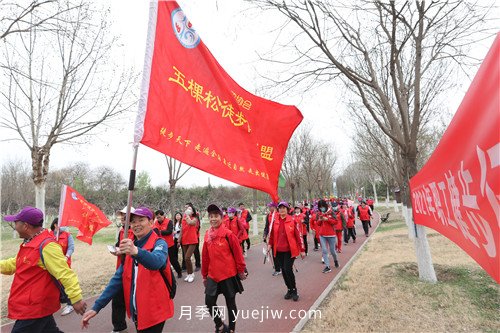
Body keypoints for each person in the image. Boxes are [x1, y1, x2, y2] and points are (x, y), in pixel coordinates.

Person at [82, 207, 174, 332]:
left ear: (151, 222)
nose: (136, 224)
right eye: (133, 221)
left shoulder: (159, 243)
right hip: (138, 311)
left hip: (155, 311)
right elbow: (117, 279)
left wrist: (136, 251)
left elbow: (156, 262)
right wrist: (96, 307)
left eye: (141, 220)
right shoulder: (131, 247)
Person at [1, 206, 87, 333]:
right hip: (34, 306)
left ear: (25, 226)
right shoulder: (31, 242)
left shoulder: (47, 246)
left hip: (33, 309)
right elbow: (15, 263)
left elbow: (65, 273)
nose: (14, 225)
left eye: (16, 222)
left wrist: (76, 299)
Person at [202, 204, 247, 333]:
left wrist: (241, 270)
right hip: (212, 275)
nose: (213, 219)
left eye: (216, 216)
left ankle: (232, 329)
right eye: (211, 216)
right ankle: (220, 325)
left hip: (228, 274)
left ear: (221, 217)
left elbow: (238, 254)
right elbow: (205, 257)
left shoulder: (228, 234)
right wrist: (204, 275)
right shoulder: (207, 235)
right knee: (209, 302)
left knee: (230, 303)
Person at [267, 202, 305, 301]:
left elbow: (299, 236)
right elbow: (272, 236)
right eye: (280, 208)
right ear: (278, 210)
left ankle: (294, 289)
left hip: (290, 250)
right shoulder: (275, 221)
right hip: (278, 251)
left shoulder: (292, 221)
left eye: (284, 208)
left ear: (287, 209)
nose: (282, 210)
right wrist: (269, 245)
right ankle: (289, 289)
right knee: (283, 270)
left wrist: (302, 250)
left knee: (288, 269)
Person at [110, 206, 135, 333]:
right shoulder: (121, 231)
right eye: (122, 216)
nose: (123, 218)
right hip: (121, 269)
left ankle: (142, 324)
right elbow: (118, 245)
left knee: (136, 299)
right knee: (117, 298)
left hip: (134, 271)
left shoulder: (136, 231)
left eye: (126, 216)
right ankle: (119, 327)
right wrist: (116, 250)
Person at [49, 218, 76, 316]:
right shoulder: (49, 235)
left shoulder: (68, 235)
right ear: (55, 225)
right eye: (62, 224)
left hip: (64, 263)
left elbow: (71, 247)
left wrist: (67, 256)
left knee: (65, 282)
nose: (64, 226)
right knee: (53, 283)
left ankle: (70, 304)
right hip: (51, 264)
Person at [154, 210, 182, 278]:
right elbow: (154, 232)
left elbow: (169, 232)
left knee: (173, 260)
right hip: (160, 245)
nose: (158, 219)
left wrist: (159, 232)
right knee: (162, 261)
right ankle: (166, 275)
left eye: (160, 217)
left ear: (163, 215)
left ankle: (179, 272)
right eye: (157, 217)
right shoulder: (155, 223)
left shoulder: (169, 222)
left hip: (169, 244)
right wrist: (161, 232)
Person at [316, 200, 339, 273]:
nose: (322, 208)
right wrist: (320, 220)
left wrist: (327, 219)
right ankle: (327, 266)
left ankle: (335, 260)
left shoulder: (331, 212)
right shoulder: (319, 213)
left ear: (326, 206)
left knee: (332, 251)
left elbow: (336, 222)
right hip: (322, 235)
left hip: (331, 235)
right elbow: (318, 223)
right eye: (320, 207)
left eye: (323, 206)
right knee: (324, 250)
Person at [179, 203, 200, 283]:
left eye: (190, 209)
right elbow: (182, 230)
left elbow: (191, 223)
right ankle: (189, 273)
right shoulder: (183, 218)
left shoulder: (195, 218)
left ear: (192, 211)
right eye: (187, 209)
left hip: (192, 240)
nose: (187, 210)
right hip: (185, 240)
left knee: (187, 257)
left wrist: (187, 216)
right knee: (185, 258)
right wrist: (179, 240)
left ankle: (191, 274)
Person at [263, 202, 281, 276]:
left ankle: (283, 266)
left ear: (275, 207)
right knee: (274, 253)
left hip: (280, 237)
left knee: (281, 252)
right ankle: (277, 269)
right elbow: (267, 226)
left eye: (271, 207)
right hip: (272, 237)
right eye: (269, 207)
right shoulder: (268, 216)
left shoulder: (279, 214)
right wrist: (265, 234)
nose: (270, 208)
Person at [172, 212, 183, 278]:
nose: (177, 216)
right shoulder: (175, 223)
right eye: (176, 215)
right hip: (175, 238)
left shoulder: (182, 223)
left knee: (184, 252)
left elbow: (182, 230)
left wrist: (177, 232)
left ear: (181, 216)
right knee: (174, 252)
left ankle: (184, 266)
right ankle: (177, 265)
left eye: (179, 215)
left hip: (181, 238)